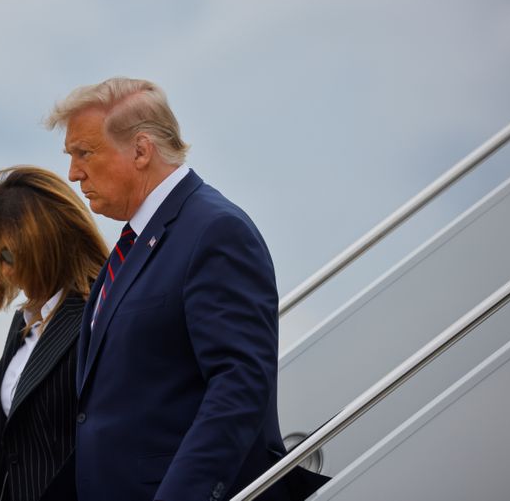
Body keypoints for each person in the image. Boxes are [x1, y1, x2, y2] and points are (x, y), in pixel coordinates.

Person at [45, 78, 329, 501]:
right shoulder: (129, 249)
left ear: (141, 150)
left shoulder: (215, 230)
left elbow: (240, 384)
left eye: (84, 152)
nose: (72, 173)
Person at [0, 165, 108, 501]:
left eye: (7, 255)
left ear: (45, 243)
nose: (3, 270)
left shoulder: (102, 315)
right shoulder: (25, 325)